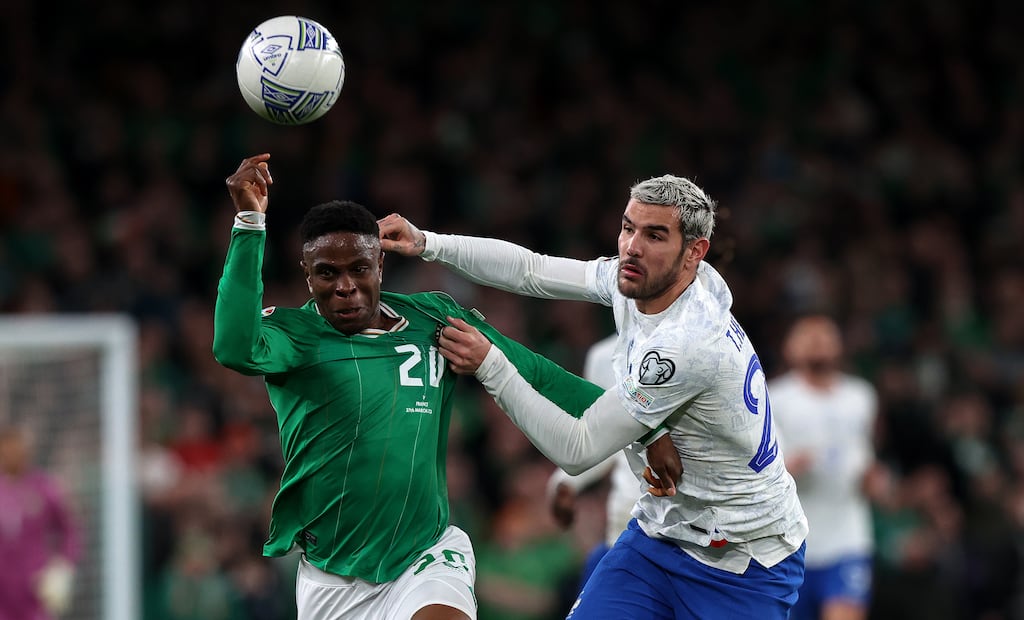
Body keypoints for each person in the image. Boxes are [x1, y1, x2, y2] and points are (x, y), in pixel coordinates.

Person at [379, 173, 809, 619]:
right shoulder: (650, 282)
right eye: (628, 228)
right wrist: (428, 242)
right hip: (660, 540)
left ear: (694, 253)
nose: (632, 247)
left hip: (745, 562)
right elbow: (532, 270)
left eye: (655, 235)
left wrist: (490, 364)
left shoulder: (685, 344)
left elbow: (578, 447)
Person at [212, 153, 608, 620]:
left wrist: (639, 424)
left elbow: (534, 372)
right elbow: (233, 348)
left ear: (380, 263)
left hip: (425, 554)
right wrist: (249, 223)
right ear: (307, 274)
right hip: (333, 578)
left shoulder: (433, 319)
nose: (345, 286)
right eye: (327, 273)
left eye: (359, 268)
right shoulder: (295, 335)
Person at [769, 315, 886, 620]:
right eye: (809, 335)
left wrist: (873, 479)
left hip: (848, 537)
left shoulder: (861, 396)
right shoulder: (774, 398)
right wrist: (790, 468)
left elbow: (866, 454)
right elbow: (763, 468)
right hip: (793, 543)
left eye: (826, 335)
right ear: (790, 348)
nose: (818, 341)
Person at [546, 334, 642, 593]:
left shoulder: (705, 340)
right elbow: (600, 439)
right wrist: (565, 482)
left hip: (690, 539)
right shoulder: (603, 356)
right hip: (624, 533)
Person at [0, 425, 81, 620]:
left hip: (35, 589)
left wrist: (63, 568)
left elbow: (70, 529)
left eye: (17, 448)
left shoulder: (44, 487)